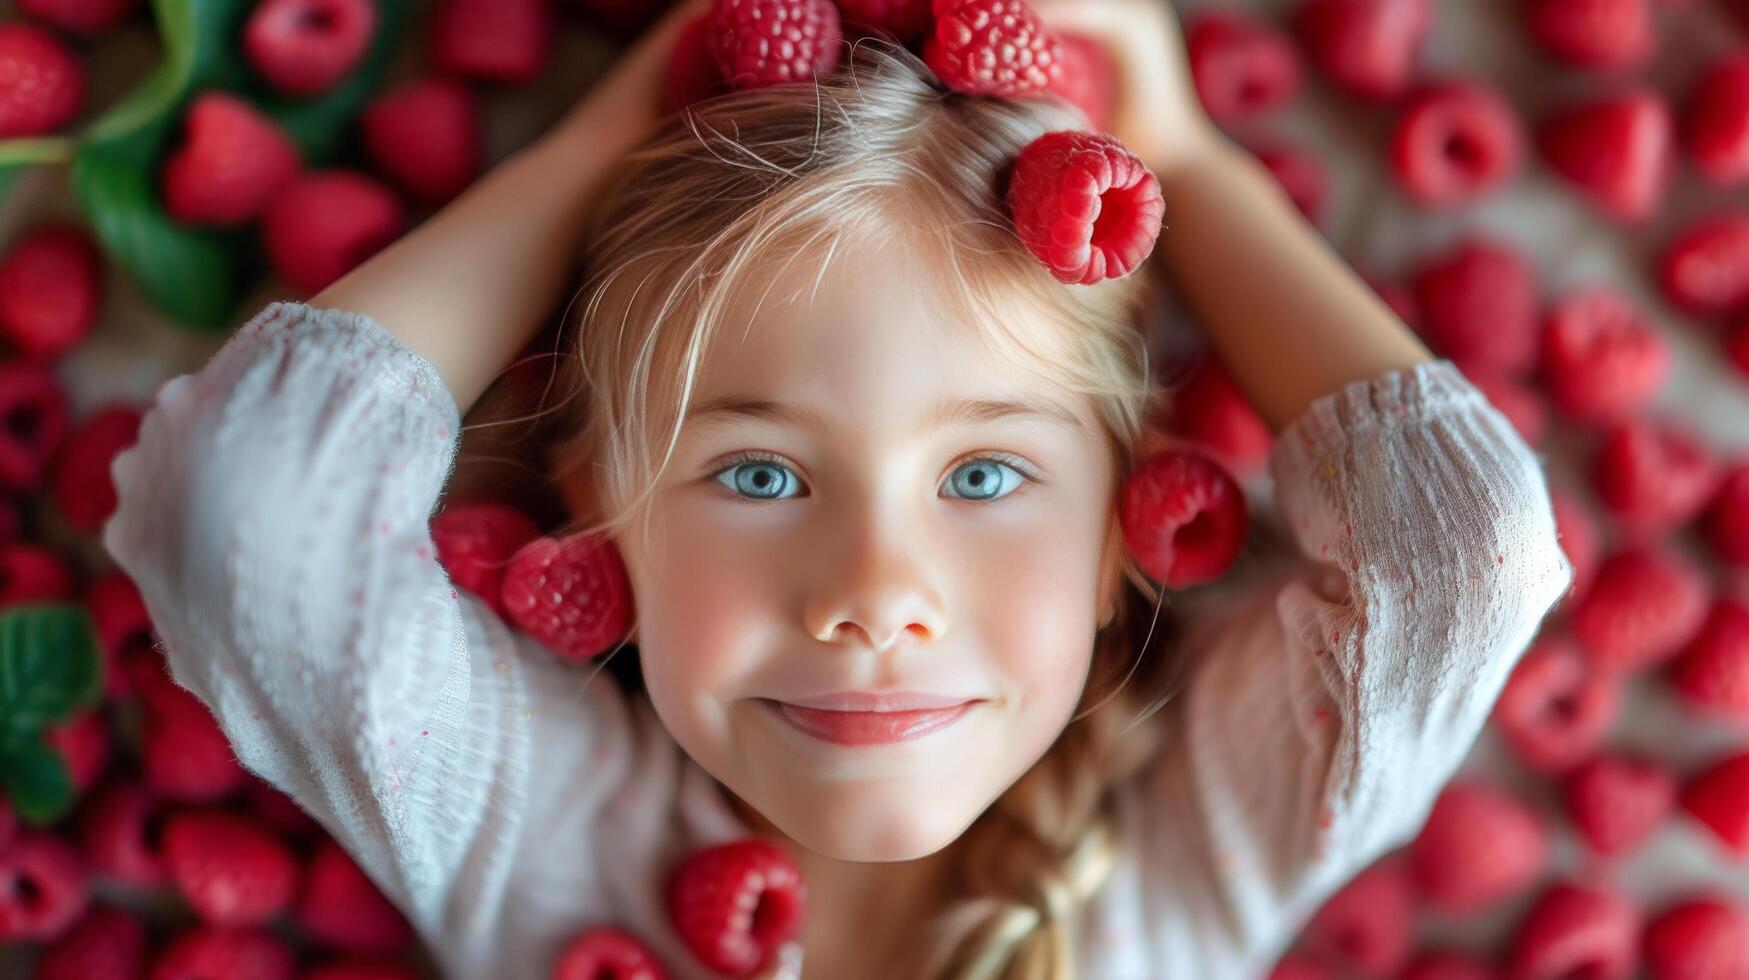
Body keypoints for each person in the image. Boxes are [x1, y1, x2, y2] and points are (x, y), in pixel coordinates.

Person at [102, 0, 1575, 977]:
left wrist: (1181, 158)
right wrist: (600, 145)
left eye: (987, 473)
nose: (874, 595)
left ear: (1130, 527)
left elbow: (1467, 561)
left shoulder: (1179, 854)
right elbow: (245, 518)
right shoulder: (526, 831)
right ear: (598, 512)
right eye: (756, 473)